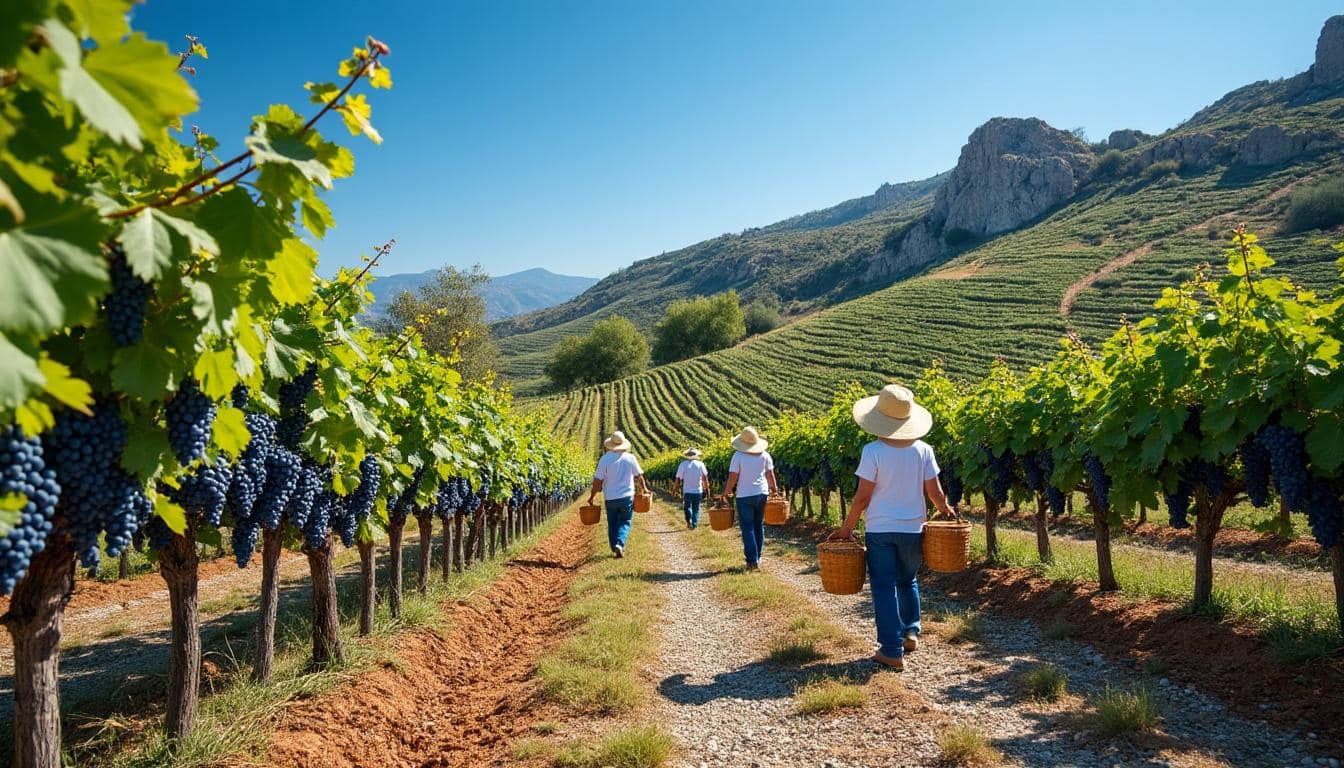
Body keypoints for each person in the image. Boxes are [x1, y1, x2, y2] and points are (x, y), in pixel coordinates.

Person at [829, 384, 955, 672]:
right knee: (908, 580)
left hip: (881, 530)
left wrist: (847, 528)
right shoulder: (924, 450)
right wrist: (946, 511)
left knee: (884, 586)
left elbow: (862, 497)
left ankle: (890, 650)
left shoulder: (872, 451)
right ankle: (910, 632)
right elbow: (935, 493)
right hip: (914, 528)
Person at [718, 427, 777, 570]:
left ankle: (752, 561)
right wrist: (775, 490)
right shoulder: (765, 455)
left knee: (747, 527)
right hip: (762, 494)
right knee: (758, 525)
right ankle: (758, 556)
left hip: (744, 495)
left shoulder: (738, 456)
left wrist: (725, 493)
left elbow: (733, 478)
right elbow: (770, 475)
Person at [588, 430, 647, 558]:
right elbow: (638, 477)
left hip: (610, 498)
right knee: (625, 521)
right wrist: (645, 489)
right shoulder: (630, 458)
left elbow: (598, 481)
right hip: (627, 497)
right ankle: (620, 544)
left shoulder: (604, 459)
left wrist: (592, 496)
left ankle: (615, 547)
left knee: (613, 523)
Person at [675, 447, 710, 529]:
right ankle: (694, 523)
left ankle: (689, 521)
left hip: (687, 491)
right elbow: (705, 478)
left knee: (687, 507)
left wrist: (675, 489)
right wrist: (706, 488)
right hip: (698, 491)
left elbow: (678, 478)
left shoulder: (683, 464)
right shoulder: (700, 464)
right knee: (696, 508)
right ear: (696, 455)